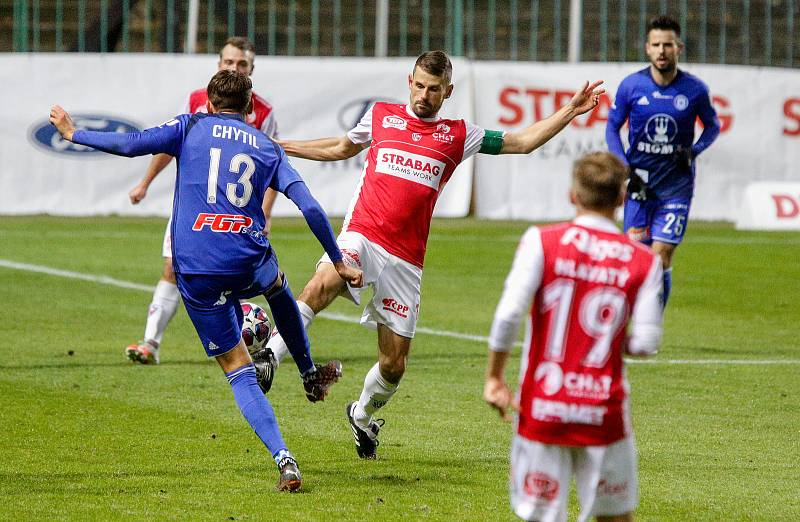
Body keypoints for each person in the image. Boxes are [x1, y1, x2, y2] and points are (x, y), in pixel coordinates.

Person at [262, 50, 605, 460]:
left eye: (434, 89)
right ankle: (270, 357)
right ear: (410, 81)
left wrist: (569, 111)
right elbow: (340, 146)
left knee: (393, 366)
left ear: (448, 91)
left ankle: (361, 414)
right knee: (324, 283)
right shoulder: (382, 116)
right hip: (363, 235)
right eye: (420, 86)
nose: (424, 95)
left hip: (406, 260)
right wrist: (282, 147)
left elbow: (521, 142)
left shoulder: (459, 134)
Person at [49, 70, 363, 491]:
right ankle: (308, 373)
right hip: (247, 258)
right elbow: (309, 207)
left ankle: (284, 459)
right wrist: (339, 261)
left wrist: (74, 132)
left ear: (210, 105)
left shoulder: (189, 126)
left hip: (195, 267)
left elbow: (128, 144)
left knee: (238, 368)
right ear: (250, 108)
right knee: (278, 287)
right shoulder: (268, 147)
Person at [484, 152, 663, 521]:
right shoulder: (645, 260)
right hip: (603, 412)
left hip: (544, 405)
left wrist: (495, 377)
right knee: (614, 517)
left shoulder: (542, 241)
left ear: (573, 195)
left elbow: (507, 315)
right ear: (621, 199)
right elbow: (646, 344)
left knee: (541, 515)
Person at [126, 36, 280, 365]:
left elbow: (272, 169)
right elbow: (169, 144)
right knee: (172, 267)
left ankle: (267, 335)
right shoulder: (196, 101)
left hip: (237, 213)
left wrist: (265, 214)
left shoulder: (263, 113)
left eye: (241, 64)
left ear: (252, 68)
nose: (234, 68)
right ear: (218, 64)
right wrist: (145, 183)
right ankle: (150, 342)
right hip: (194, 207)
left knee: (245, 276)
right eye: (229, 62)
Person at [605, 15, 720, 309]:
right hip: (639, 186)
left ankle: (651, 324)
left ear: (679, 47)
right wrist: (624, 167)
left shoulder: (695, 90)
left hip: (676, 187)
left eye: (667, 45)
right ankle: (628, 317)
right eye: (656, 45)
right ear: (647, 48)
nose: (661, 51)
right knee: (637, 259)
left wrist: (694, 151)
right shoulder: (632, 86)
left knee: (661, 255)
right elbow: (612, 127)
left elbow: (713, 126)